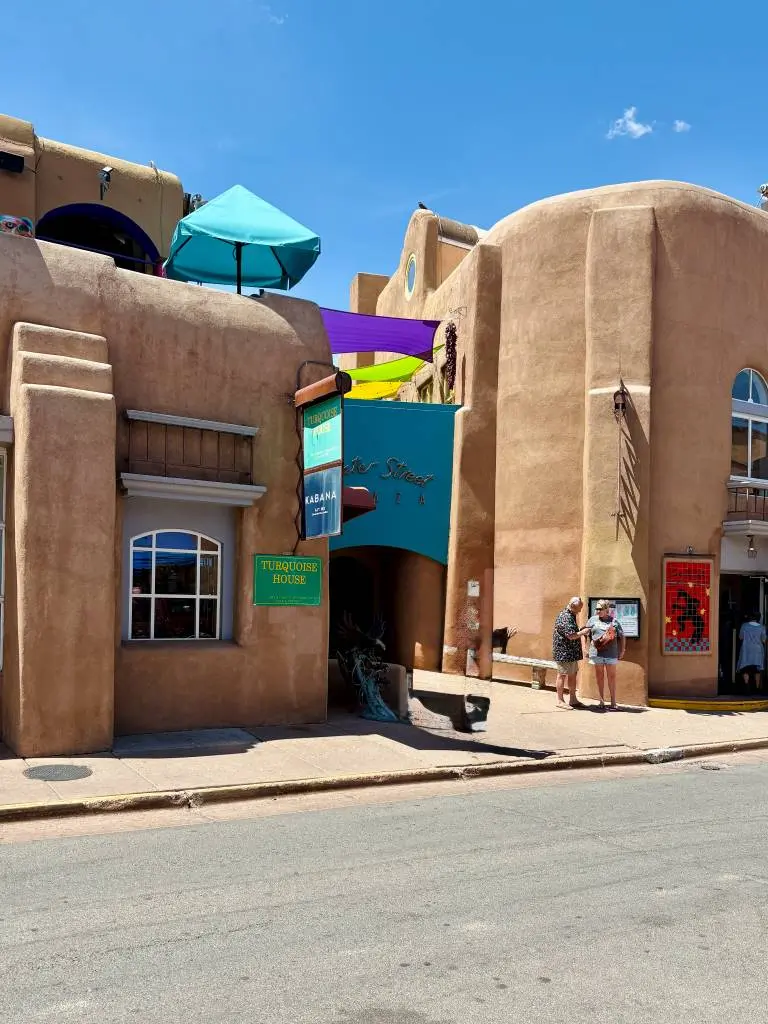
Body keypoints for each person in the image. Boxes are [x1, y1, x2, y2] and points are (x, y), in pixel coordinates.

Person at [585, 599, 626, 710]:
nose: (597, 611)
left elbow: (622, 636)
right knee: (599, 677)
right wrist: (586, 648)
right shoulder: (592, 620)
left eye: (600, 609)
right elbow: (586, 634)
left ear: (606, 610)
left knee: (611, 677)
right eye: (596, 608)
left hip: (611, 653)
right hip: (596, 653)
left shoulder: (614, 621)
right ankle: (601, 701)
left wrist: (622, 651)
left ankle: (613, 702)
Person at [552, 597, 589, 709]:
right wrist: (582, 632)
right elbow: (570, 635)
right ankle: (560, 700)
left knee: (572, 675)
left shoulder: (571, 615)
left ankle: (573, 699)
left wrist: (580, 630)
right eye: (579, 608)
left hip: (571, 652)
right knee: (562, 675)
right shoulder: (566, 616)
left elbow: (572, 632)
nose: (580, 610)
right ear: (573, 606)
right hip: (564, 652)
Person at [737, 611, 766, 691]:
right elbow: (763, 640)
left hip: (746, 649)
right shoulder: (762, 627)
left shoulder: (744, 626)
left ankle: (747, 686)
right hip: (757, 650)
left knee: (745, 668)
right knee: (757, 670)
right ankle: (757, 688)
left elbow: (741, 637)